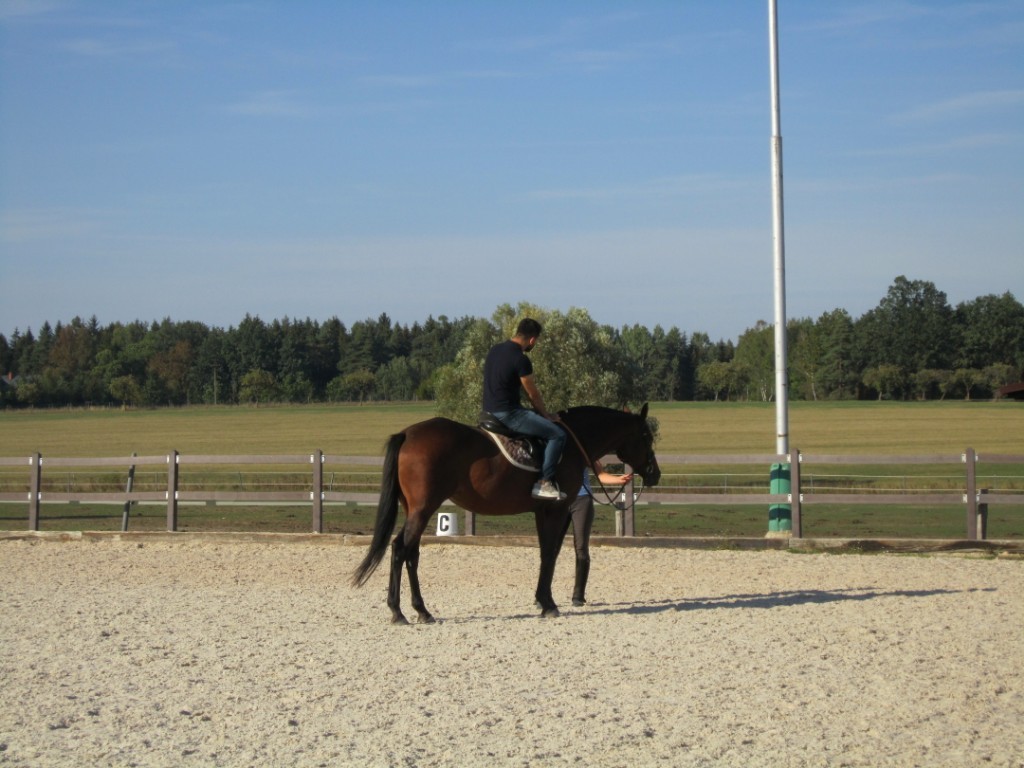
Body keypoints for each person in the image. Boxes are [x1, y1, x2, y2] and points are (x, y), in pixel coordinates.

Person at [482, 318, 567, 500]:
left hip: (488, 411)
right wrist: (547, 415)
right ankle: (545, 482)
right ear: (532, 340)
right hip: (509, 414)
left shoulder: (495, 350)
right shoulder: (521, 359)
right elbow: (532, 394)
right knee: (557, 435)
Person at [569, 461, 633, 606]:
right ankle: (543, 592)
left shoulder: (585, 451)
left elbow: (601, 474)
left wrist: (619, 480)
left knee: (581, 547)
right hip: (559, 499)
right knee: (551, 548)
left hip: (581, 499)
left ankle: (578, 595)